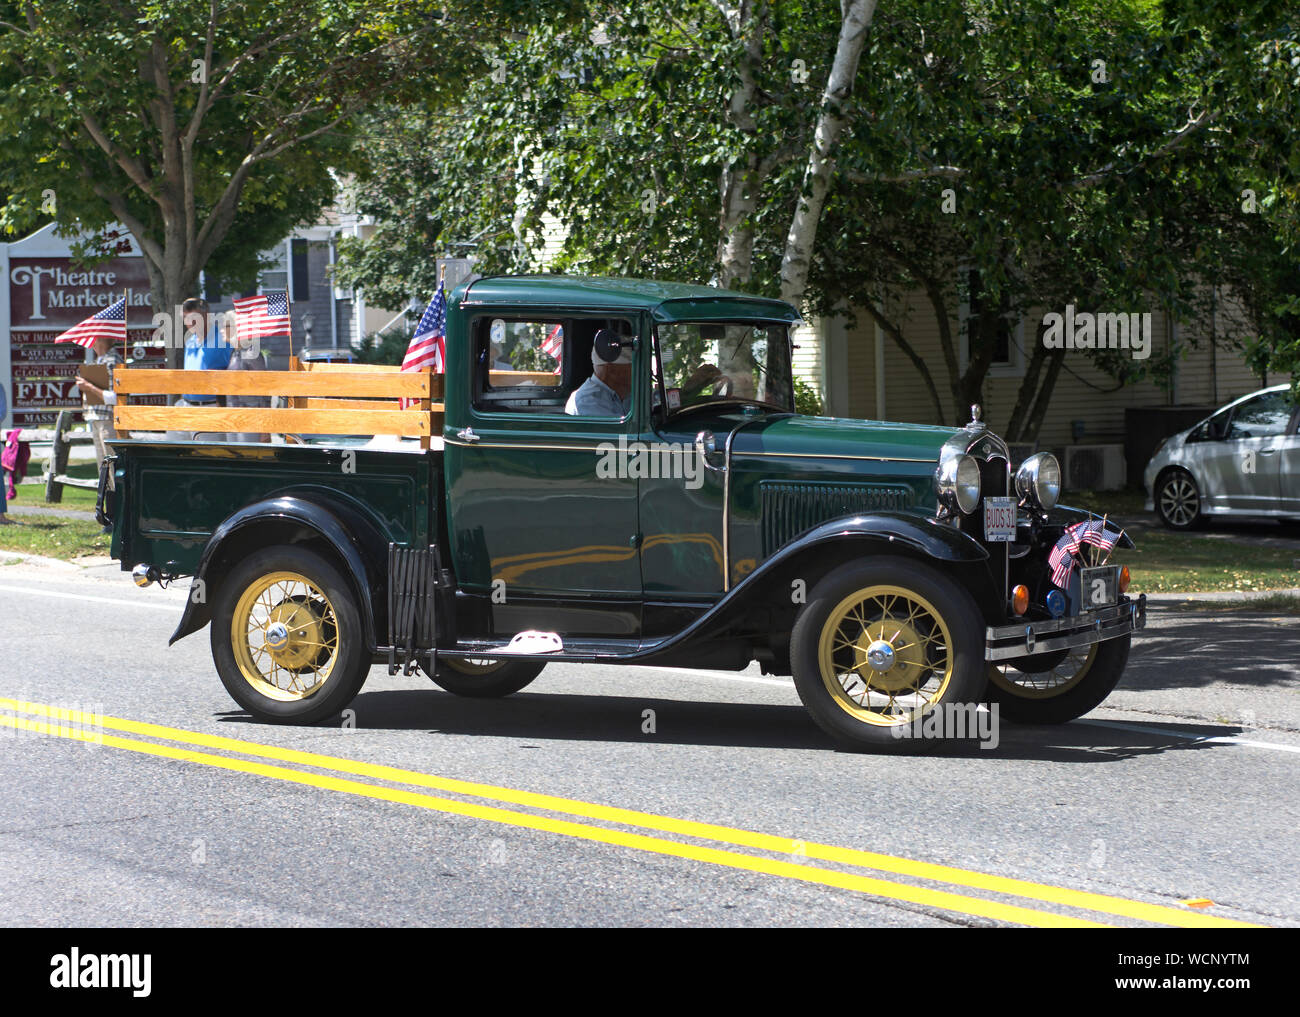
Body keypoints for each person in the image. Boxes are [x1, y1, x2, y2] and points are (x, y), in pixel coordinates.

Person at [167, 297, 231, 440]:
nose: (189, 323)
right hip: (185, 405)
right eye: (185, 318)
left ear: (206, 315)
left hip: (210, 408)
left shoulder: (222, 339)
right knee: (173, 451)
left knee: (208, 457)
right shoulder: (190, 341)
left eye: (194, 318)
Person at [73, 333, 122, 511]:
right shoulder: (101, 360)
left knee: (112, 468)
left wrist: (88, 387)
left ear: (102, 340)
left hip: (108, 419)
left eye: (95, 339)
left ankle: (117, 514)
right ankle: (109, 514)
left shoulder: (112, 360)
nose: (92, 343)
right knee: (103, 470)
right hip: (96, 419)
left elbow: (114, 397)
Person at [220, 311, 270, 442]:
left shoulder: (252, 354)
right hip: (233, 416)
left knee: (250, 458)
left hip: (251, 418)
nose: (221, 330)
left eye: (225, 326)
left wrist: (265, 427)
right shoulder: (235, 353)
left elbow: (264, 390)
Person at [565, 337, 633, 417]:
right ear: (612, 371)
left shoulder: (626, 394)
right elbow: (619, 429)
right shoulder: (588, 401)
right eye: (634, 367)